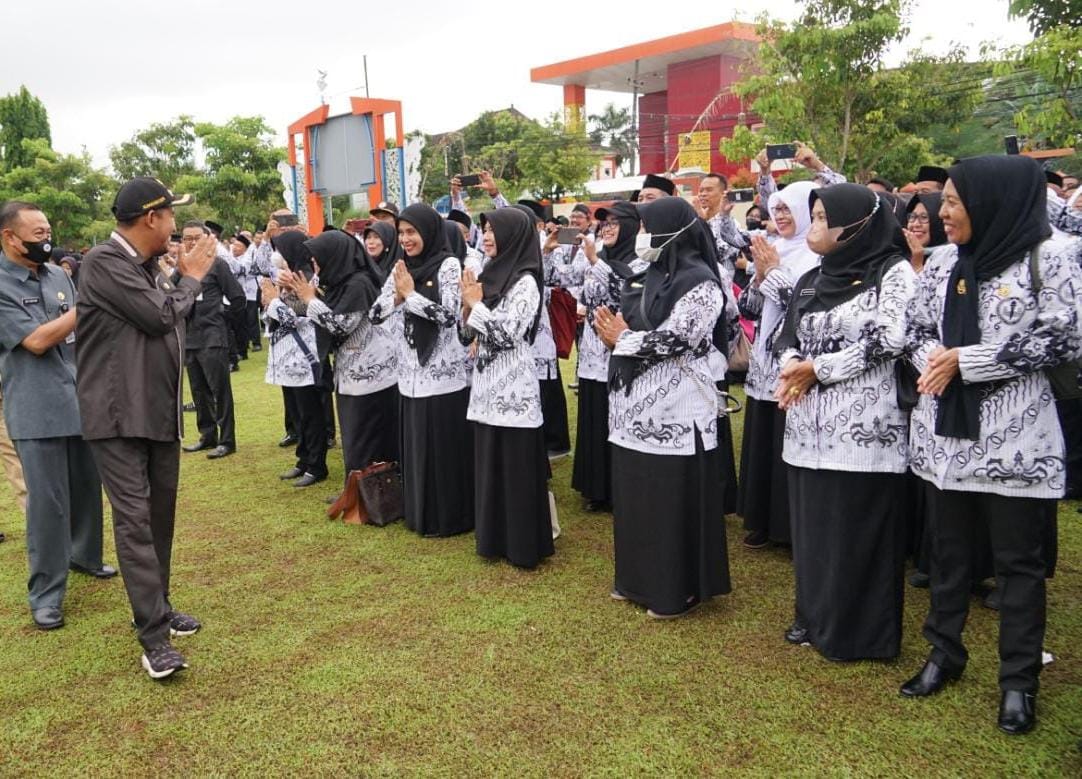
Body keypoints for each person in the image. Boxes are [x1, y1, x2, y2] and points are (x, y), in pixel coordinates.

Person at [900, 155, 1082, 735]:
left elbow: (1064, 337)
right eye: (946, 201)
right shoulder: (943, 262)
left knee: (1017, 564)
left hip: (1016, 440)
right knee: (948, 553)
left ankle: (1019, 680)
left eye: (954, 202)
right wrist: (933, 359)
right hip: (945, 439)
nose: (942, 212)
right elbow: (914, 329)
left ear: (992, 202)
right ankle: (944, 652)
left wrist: (969, 362)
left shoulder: (1051, 255)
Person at [76, 177, 214, 678]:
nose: (175, 228)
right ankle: (154, 638)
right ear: (151, 218)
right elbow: (161, 317)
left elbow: (166, 317)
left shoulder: (145, 267)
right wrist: (190, 278)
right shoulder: (103, 262)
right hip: (117, 417)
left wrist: (178, 280)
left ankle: (160, 604)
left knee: (159, 518)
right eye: (171, 216)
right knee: (135, 522)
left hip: (156, 413)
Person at [773, 184, 917, 661]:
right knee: (813, 527)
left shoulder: (891, 271)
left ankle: (858, 634)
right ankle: (813, 616)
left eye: (822, 218)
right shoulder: (811, 278)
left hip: (863, 429)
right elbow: (786, 336)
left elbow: (891, 338)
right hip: (806, 424)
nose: (813, 226)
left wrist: (819, 369)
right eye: (813, 216)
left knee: (855, 530)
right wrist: (793, 366)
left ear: (857, 225)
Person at [596, 196, 731, 619]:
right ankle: (636, 579)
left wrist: (623, 339)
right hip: (634, 406)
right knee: (637, 493)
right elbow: (620, 317)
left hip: (678, 408)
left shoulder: (700, 282)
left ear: (671, 232)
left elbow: (680, 339)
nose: (640, 236)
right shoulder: (648, 273)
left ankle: (676, 589)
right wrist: (615, 333)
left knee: (669, 498)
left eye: (645, 228)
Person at [0, 200, 113, 631]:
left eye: (47, 233)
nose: (46, 241)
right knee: (47, 505)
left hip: (78, 397)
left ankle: (85, 555)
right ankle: (46, 593)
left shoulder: (58, 276)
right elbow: (35, 341)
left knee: (86, 487)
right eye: (37, 234)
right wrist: (88, 307)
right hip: (35, 407)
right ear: (10, 237)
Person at [370, 204, 474, 537]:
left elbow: (448, 315)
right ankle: (420, 515)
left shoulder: (448, 264)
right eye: (401, 233)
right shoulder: (402, 266)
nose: (405, 239)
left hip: (442, 377)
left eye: (411, 232)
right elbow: (375, 313)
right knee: (417, 450)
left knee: (442, 453)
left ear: (428, 231)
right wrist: (399, 298)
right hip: (410, 376)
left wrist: (410, 295)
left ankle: (449, 518)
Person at [460, 208, 551, 567]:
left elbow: (508, 334)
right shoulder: (489, 273)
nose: (485, 236)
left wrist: (475, 305)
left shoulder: (526, 281)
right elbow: (466, 335)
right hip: (485, 386)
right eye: (483, 230)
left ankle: (523, 546)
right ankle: (494, 540)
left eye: (493, 230)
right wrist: (465, 309)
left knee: (516, 468)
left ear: (513, 235)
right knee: (491, 466)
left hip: (513, 387)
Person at [736, 181, 821, 548]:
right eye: (777, 209)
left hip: (795, 362)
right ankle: (761, 520)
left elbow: (803, 307)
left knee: (786, 440)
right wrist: (759, 276)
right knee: (763, 441)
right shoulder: (776, 250)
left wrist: (771, 272)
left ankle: (786, 526)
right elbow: (749, 308)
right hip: (764, 361)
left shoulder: (816, 256)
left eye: (788, 209)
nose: (781, 216)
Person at [293, 229, 399, 479]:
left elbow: (341, 326)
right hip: (352, 375)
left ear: (335, 256)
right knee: (354, 438)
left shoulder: (358, 284)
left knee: (366, 441)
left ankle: (370, 492)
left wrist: (310, 301)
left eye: (318, 259)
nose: (315, 266)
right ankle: (356, 489)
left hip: (371, 377)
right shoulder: (340, 284)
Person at [570, 201, 640, 513]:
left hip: (619, 351)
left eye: (614, 223)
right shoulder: (599, 256)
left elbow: (628, 293)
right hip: (591, 352)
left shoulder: (640, 260)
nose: (607, 228)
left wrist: (596, 262)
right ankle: (596, 488)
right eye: (604, 223)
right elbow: (580, 292)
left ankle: (617, 488)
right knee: (594, 415)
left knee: (616, 418)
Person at [260, 231, 328, 488]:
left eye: (280, 249)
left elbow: (303, 313)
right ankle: (303, 459)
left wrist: (275, 301)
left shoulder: (307, 277)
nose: (277, 255)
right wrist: (272, 299)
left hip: (305, 359)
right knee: (297, 413)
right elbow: (277, 316)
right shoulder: (287, 276)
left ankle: (317, 465)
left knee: (310, 414)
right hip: (288, 360)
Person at [177, 221, 245, 460]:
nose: (192, 242)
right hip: (190, 338)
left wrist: (222, 319)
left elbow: (238, 298)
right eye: (187, 238)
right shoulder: (182, 267)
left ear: (206, 239)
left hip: (213, 336)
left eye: (196, 237)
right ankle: (207, 435)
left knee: (220, 390)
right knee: (198, 390)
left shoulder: (217, 264)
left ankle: (227, 440)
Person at [903, 192, 947, 274]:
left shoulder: (952, 258)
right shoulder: (900, 257)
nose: (916, 224)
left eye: (924, 217)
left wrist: (917, 267)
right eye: (912, 217)